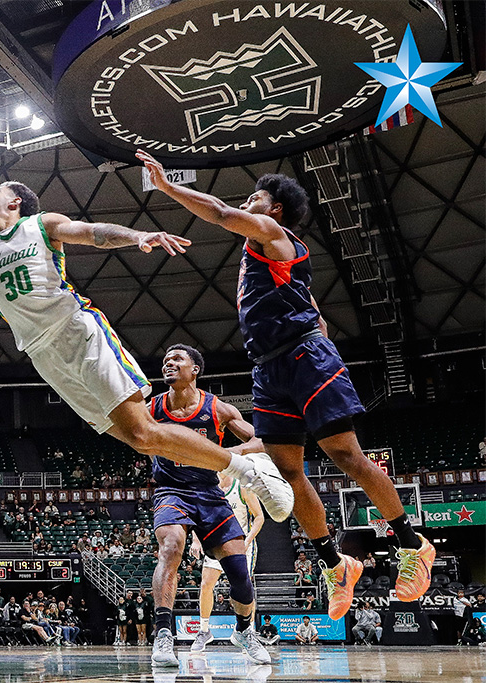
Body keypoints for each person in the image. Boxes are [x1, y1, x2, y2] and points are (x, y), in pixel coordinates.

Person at [0, 121, 294, 524]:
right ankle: (240, 466)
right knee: (141, 440)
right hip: (43, 355)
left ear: (16, 201)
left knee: (143, 429)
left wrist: (138, 236)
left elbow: (94, 232)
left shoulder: (42, 224)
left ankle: (244, 469)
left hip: (78, 333)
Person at [137, 151, 436, 619]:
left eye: (254, 198)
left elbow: (217, 212)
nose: (246, 203)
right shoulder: (267, 255)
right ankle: (336, 565)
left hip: (303, 357)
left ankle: (412, 544)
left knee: (344, 455)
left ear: (274, 208)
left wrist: (168, 186)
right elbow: (312, 303)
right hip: (269, 366)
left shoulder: (276, 234)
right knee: (289, 472)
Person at [146, 345, 270, 667]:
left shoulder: (219, 409)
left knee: (240, 575)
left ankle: (244, 631)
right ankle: (163, 635)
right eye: (166, 360)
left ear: (195, 369)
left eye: (177, 359)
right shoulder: (153, 408)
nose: (169, 363)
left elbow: (260, 440)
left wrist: (226, 457)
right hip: (170, 490)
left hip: (210, 493)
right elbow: (128, 430)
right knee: (171, 547)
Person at [191, 463, 264, 653]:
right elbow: (198, 516)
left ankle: (248, 632)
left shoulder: (242, 487)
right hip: (218, 542)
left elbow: (259, 517)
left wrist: (247, 540)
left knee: (244, 587)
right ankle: (204, 631)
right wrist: (196, 540)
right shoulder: (210, 489)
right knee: (206, 584)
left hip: (241, 544)